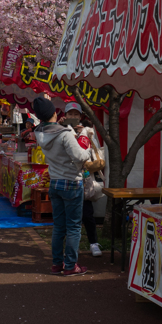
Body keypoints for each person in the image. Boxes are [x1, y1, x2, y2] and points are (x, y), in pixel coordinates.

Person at [32, 97, 92, 276]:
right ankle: (70, 265)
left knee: (59, 226)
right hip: (72, 182)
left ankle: (57, 263)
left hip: (55, 182)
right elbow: (80, 157)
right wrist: (86, 143)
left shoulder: (39, 132)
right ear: (55, 112)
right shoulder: (64, 133)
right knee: (73, 227)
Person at [63, 101, 105, 257]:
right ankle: (69, 245)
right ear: (65, 116)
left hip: (84, 179)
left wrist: (84, 133)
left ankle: (93, 243)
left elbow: (87, 152)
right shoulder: (62, 131)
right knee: (68, 214)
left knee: (87, 214)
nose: (73, 117)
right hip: (67, 178)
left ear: (80, 116)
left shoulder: (87, 131)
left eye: (76, 114)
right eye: (70, 114)